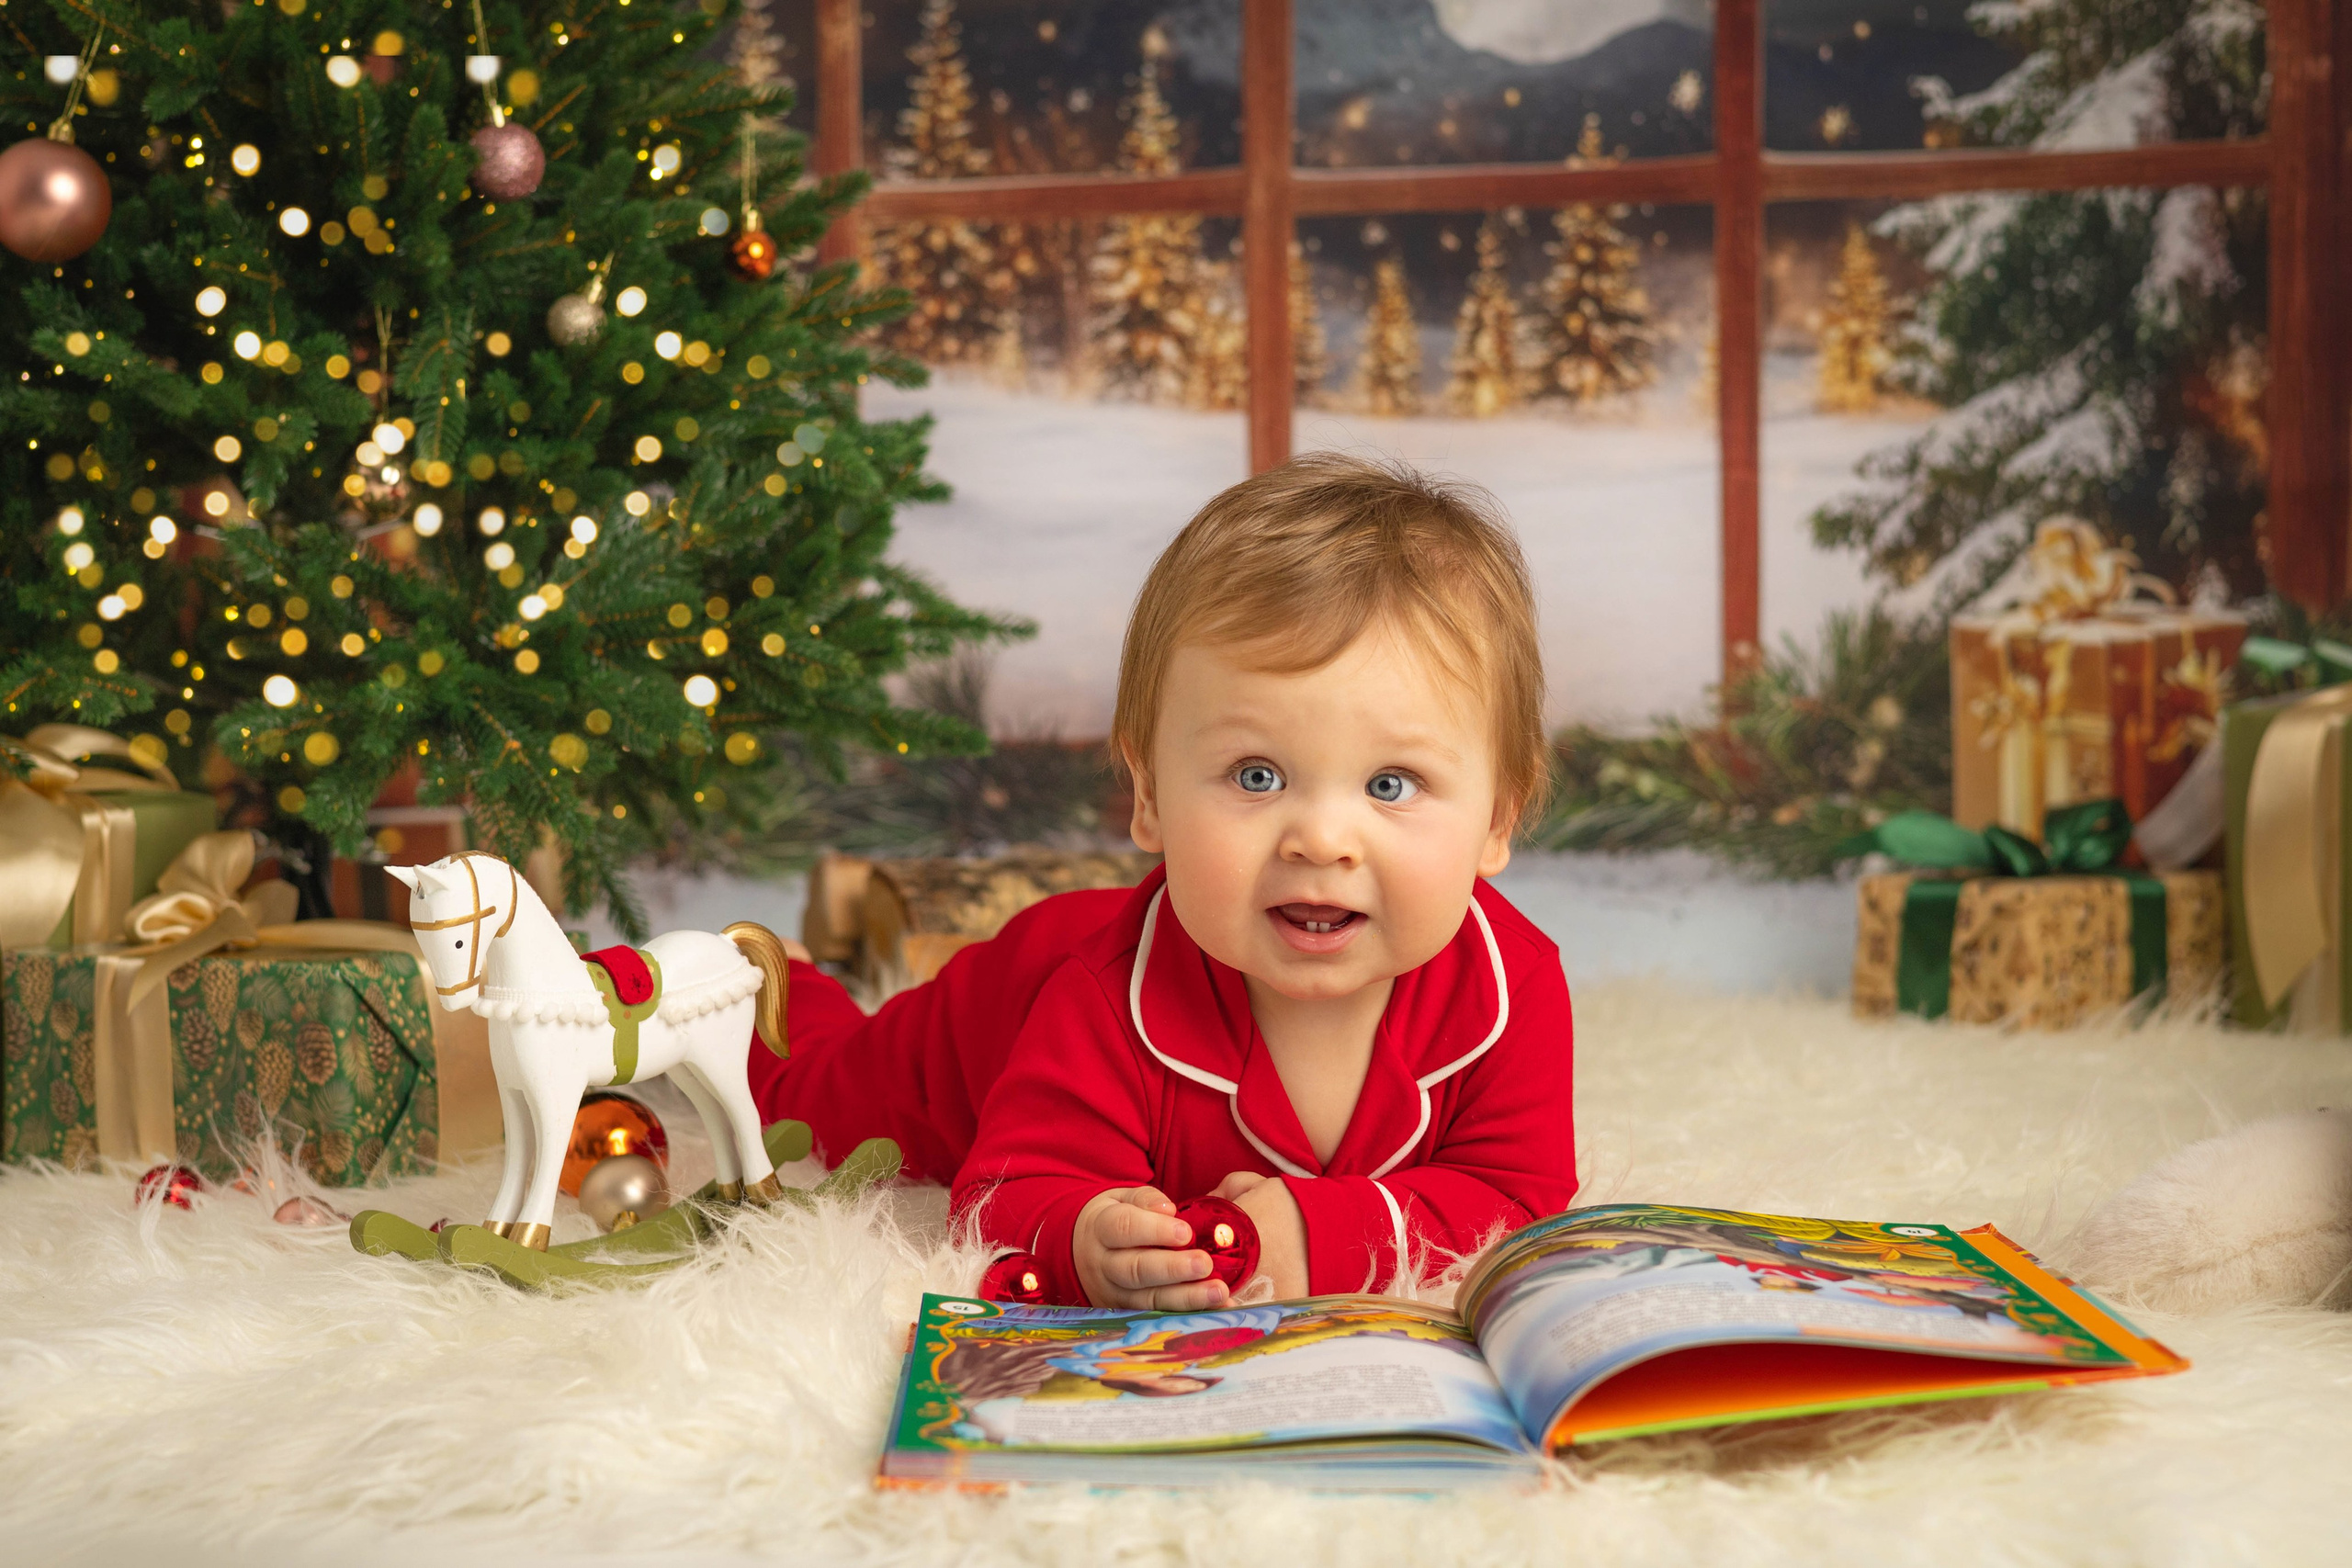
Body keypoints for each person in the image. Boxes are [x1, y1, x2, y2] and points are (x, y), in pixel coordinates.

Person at [748, 452, 1577, 1308]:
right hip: (995, 1012)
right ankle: (776, 978)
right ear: (1149, 798)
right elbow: (1005, 1191)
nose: (1323, 841)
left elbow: (1517, 1196)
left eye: (1391, 784)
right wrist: (1082, 1235)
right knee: (811, 1101)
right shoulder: (1101, 997)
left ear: (1496, 820)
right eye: (1257, 775)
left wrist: (1324, 1232)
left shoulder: (1513, 987)